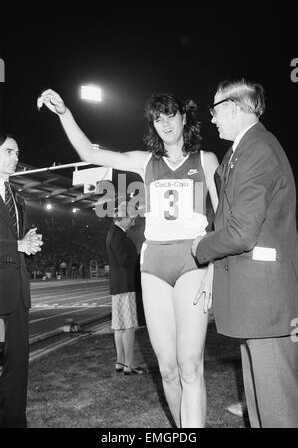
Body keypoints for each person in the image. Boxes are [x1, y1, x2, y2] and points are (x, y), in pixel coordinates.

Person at [37, 89, 219, 428]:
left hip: (192, 261)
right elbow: (89, 151)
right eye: (157, 118)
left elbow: (223, 217)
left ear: (184, 118)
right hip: (153, 267)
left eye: (170, 115)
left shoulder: (206, 160)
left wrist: (213, 268)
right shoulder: (145, 161)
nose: (164, 123)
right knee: (167, 369)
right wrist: (65, 113)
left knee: (191, 365)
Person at [192, 78, 298, 428]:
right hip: (256, 300)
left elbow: (240, 232)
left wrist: (201, 248)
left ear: (235, 107)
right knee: (261, 405)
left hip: (264, 300)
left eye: (215, 109)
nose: (212, 118)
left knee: (277, 409)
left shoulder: (258, 150)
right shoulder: (240, 151)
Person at [0, 134, 43, 427]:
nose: (16, 157)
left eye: (17, 151)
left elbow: (19, 241)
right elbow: (13, 243)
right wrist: (17, 244)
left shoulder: (17, 197)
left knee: (17, 366)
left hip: (17, 292)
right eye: (9, 151)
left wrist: (29, 242)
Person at [106, 201, 146, 375]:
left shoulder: (113, 233)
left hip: (118, 285)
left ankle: (120, 362)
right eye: (131, 219)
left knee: (119, 326)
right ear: (122, 218)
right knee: (128, 326)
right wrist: (142, 258)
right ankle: (129, 364)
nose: (133, 222)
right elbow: (126, 260)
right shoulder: (118, 235)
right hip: (125, 285)